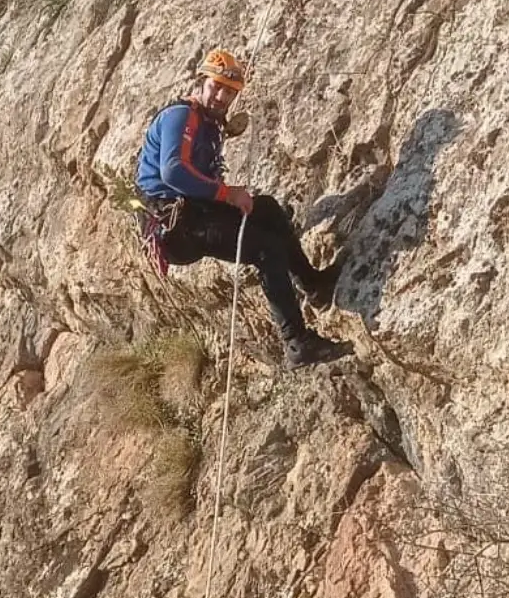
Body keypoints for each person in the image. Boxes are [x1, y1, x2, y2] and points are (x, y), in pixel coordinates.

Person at [135, 50, 349, 369]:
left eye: (229, 91)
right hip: (176, 227)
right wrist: (226, 193)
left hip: (192, 211)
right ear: (201, 82)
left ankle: (313, 284)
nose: (221, 96)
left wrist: (223, 194)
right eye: (216, 87)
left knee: (267, 210)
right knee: (265, 248)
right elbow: (173, 172)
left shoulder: (207, 121)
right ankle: (297, 343)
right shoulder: (181, 116)